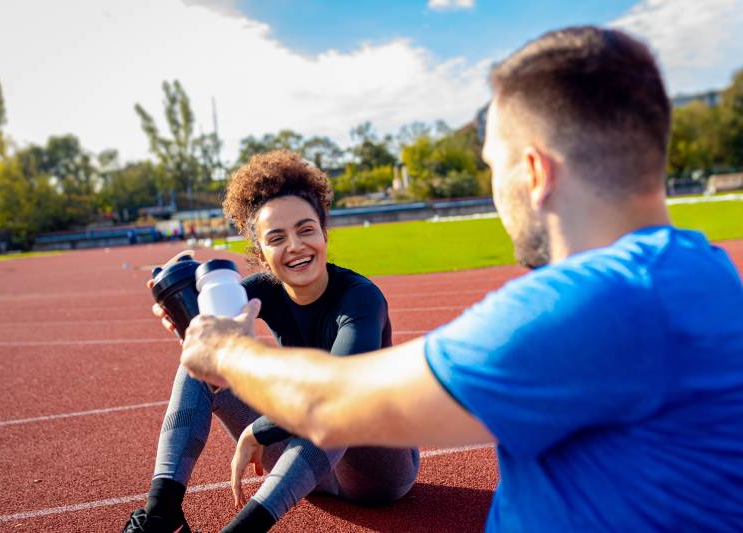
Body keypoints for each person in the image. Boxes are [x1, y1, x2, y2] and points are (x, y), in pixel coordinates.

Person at [179, 26, 743, 532]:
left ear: (533, 170)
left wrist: (226, 353)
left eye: (492, 165)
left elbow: (334, 404)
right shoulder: (707, 275)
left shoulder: (589, 304)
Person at [123, 150, 419, 533]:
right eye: (277, 237)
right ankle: (161, 516)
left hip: (376, 472)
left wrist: (259, 429)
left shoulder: (361, 298)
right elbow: (211, 337)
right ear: (260, 253)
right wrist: (184, 315)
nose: (295, 245)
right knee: (201, 363)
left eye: (306, 229)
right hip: (304, 466)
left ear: (324, 233)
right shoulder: (263, 290)